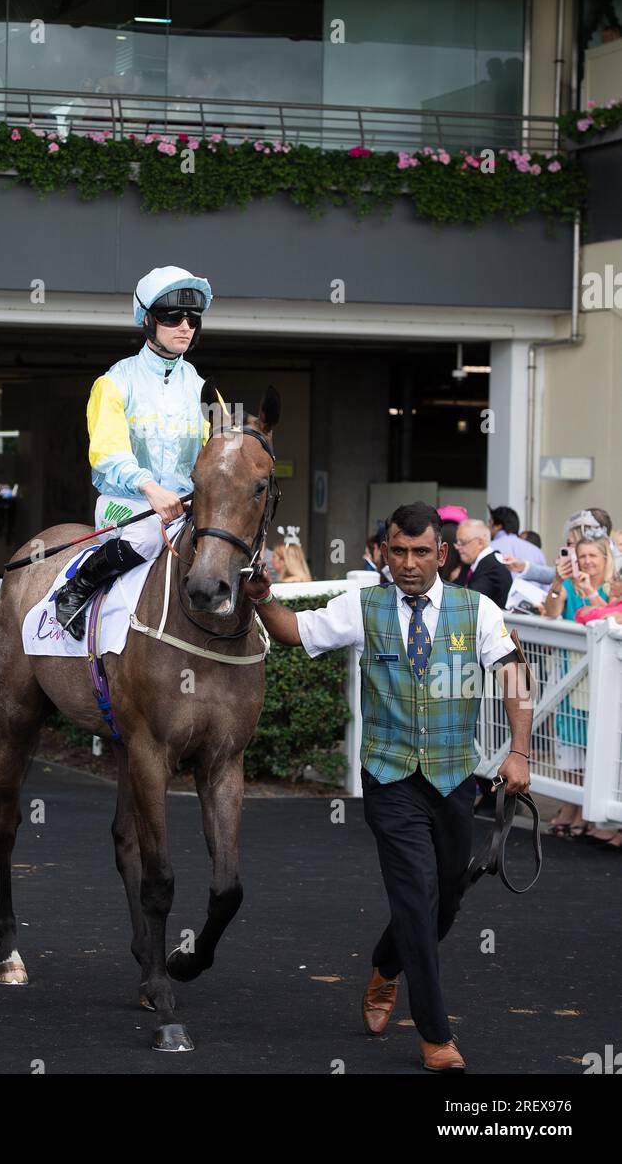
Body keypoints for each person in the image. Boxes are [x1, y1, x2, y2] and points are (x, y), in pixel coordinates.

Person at [245, 502, 531, 1072]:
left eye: (420, 552)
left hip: (454, 780)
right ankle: (434, 1036)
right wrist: (261, 596)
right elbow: (293, 631)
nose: (407, 563)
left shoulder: (478, 611)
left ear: (442, 554)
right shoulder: (362, 605)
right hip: (388, 779)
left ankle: (385, 964)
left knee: (445, 902)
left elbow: (514, 678)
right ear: (384, 552)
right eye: (397, 551)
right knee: (415, 900)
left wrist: (519, 753)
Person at [54, 265, 214, 640]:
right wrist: (150, 487)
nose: (185, 326)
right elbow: (107, 453)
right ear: (146, 320)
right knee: (148, 535)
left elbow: (215, 454)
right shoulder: (112, 383)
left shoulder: (203, 388)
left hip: (184, 508)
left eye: (192, 318)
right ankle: (75, 588)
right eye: (172, 316)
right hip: (126, 504)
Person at [540, 533, 615, 838]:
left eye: (592, 556)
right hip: (571, 672)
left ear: (604, 558)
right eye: (581, 556)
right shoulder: (568, 586)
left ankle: (585, 807)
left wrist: (591, 593)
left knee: (595, 738)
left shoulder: (613, 586)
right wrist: (558, 582)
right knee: (570, 734)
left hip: (603, 675)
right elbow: (554, 611)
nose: (586, 562)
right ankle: (570, 803)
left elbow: (611, 617)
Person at [453, 519, 512, 608]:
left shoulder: (494, 568)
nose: (457, 547)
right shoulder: (470, 563)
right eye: (457, 542)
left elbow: (467, 600)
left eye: (463, 542)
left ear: (480, 543)